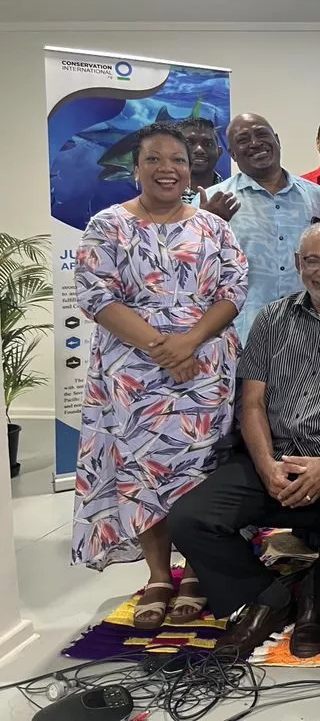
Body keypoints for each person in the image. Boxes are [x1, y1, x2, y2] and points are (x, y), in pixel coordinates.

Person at [169, 223, 320, 659]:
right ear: (298, 264)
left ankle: (316, 598)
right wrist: (266, 465)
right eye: (314, 261)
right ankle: (267, 598)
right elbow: (252, 402)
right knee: (189, 517)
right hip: (277, 452)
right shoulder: (271, 318)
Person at [71, 122, 247, 630]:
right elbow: (96, 295)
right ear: (136, 168)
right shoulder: (108, 225)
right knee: (143, 471)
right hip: (132, 373)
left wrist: (189, 343)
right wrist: (162, 348)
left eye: (178, 160)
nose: (167, 169)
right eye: (155, 159)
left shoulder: (214, 228)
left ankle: (195, 570)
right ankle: (157, 575)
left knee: (201, 470)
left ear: (191, 171)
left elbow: (234, 289)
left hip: (205, 368)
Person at [202, 113, 320, 342]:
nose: (255, 143)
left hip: (310, 335)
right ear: (232, 154)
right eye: (243, 140)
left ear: (277, 140)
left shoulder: (319, 199)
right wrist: (208, 227)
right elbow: (192, 275)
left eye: (261, 134)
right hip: (241, 337)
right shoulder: (211, 201)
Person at [176, 117, 224, 196]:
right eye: (189, 143)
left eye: (208, 144)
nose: (199, 150)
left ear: (219, 153)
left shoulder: (233, 194)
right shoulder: (159, 195)